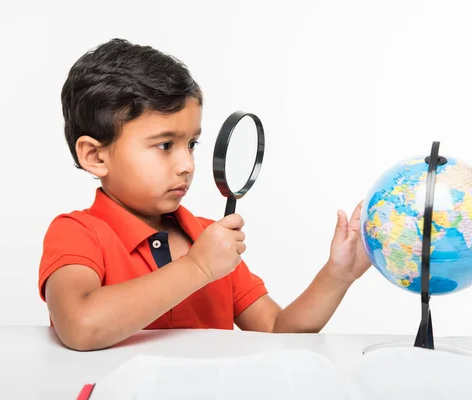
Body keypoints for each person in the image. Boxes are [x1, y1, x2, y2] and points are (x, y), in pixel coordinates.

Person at [38, 38, 371, 351]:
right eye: (165, 145)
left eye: (192, 144)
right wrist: (197, 267)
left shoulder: (208, 238)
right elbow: (80, 325)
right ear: (96, 156)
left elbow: (276, 331)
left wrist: (337, 275)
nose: (187, 164)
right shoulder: (77, 233)